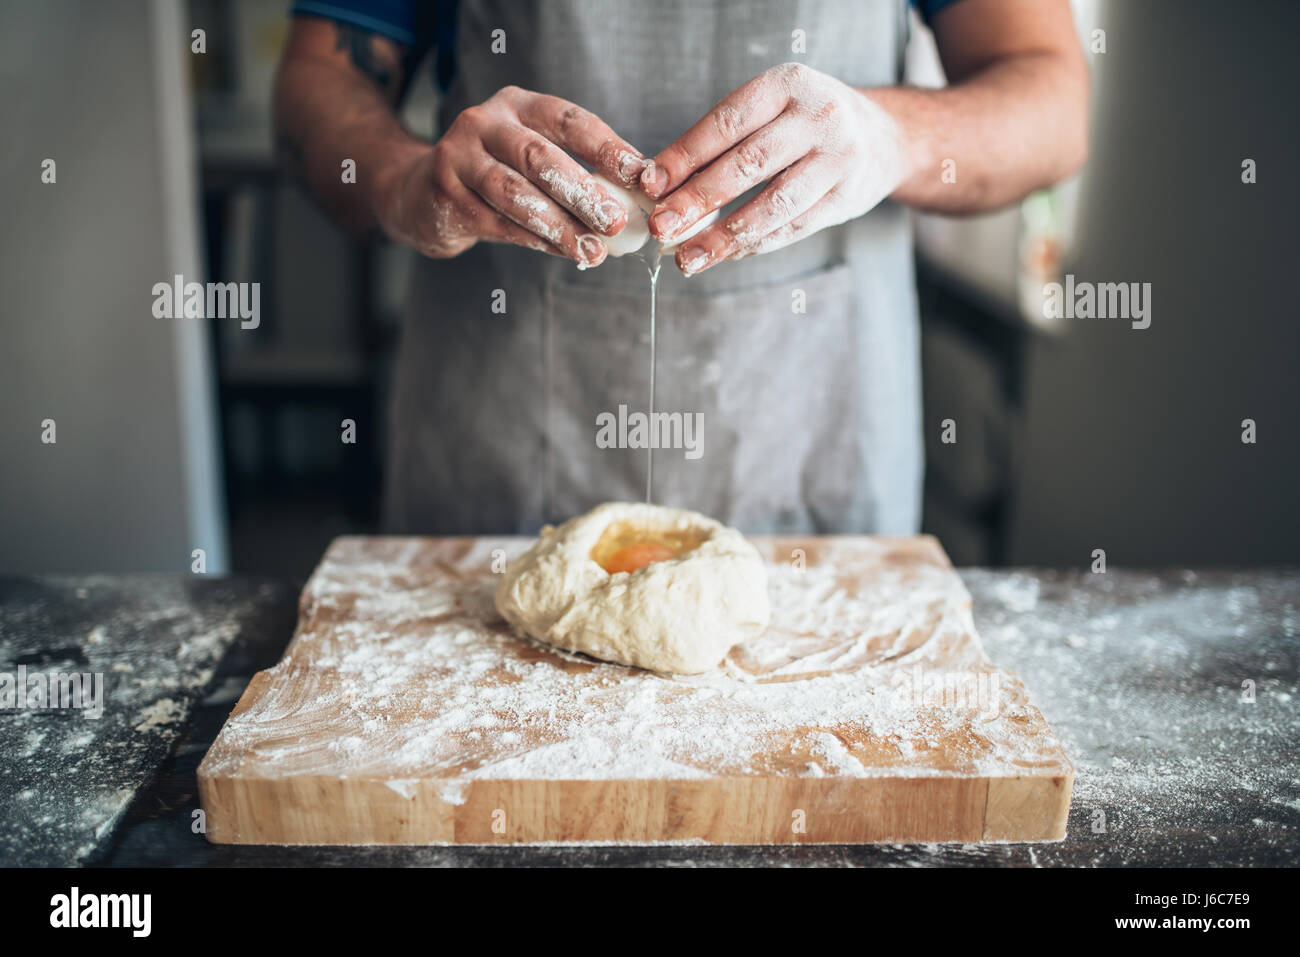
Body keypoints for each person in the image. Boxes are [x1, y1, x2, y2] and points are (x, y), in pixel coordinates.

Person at [274, 0, 1088, 535]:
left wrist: (894, 138)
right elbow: (319, 76)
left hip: (812, 430)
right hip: (505, 433)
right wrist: (401, 181)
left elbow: (1053, 100)